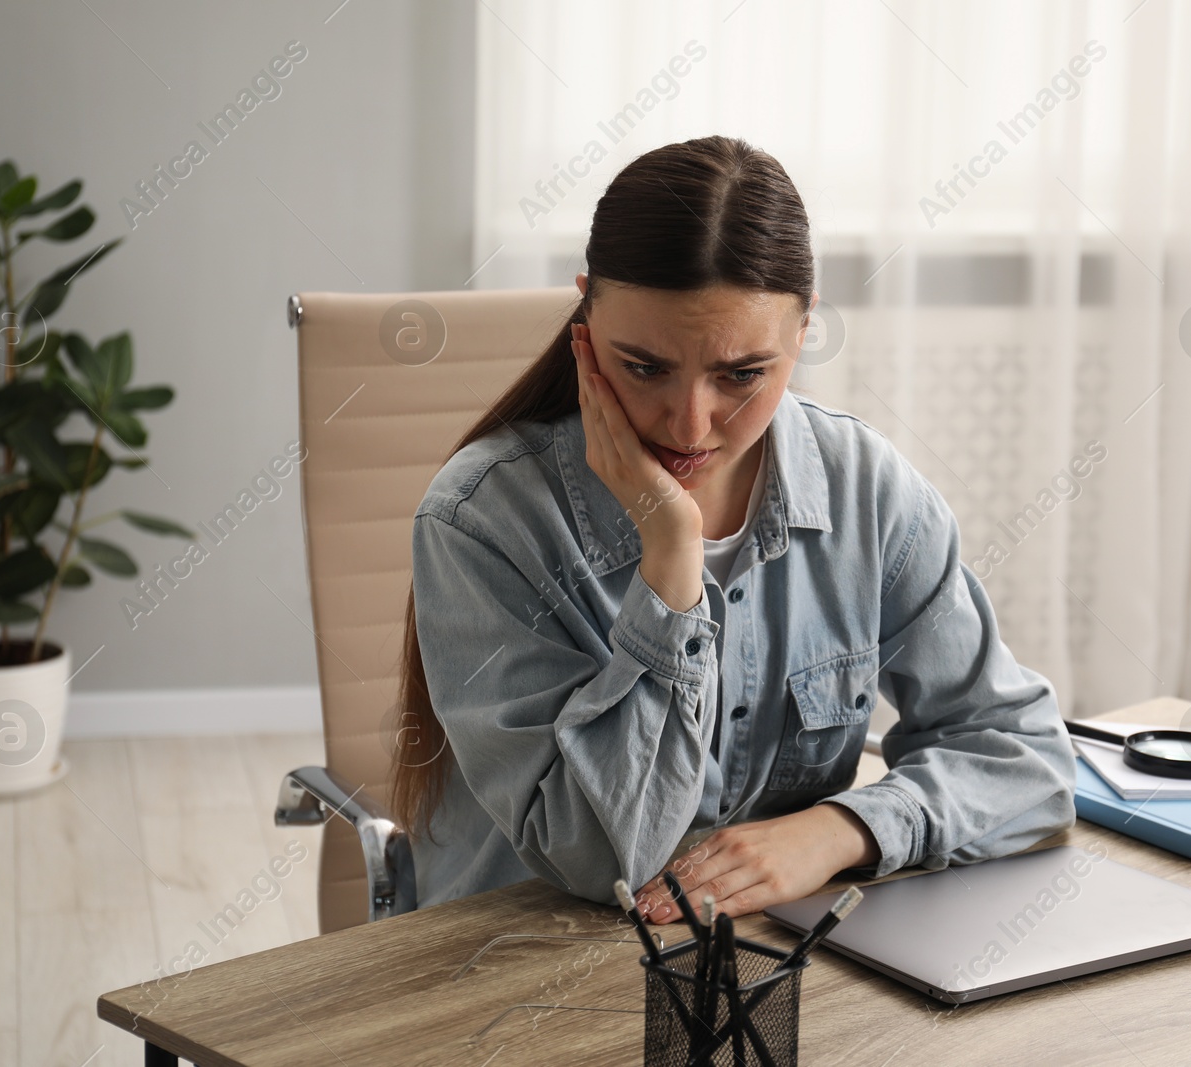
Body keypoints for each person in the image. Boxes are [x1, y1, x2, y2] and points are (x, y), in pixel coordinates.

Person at [391, 134, 1075, 922]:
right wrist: (671, 559)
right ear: (587, 314)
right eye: (644, 366)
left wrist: (839, 829)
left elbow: (1027, 759)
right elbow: (603, 861)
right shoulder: (481, 519)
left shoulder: (867, 490)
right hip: (521, 971)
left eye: (742, 374)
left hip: (762, 960)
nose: (690, 425)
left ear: (804, 328)